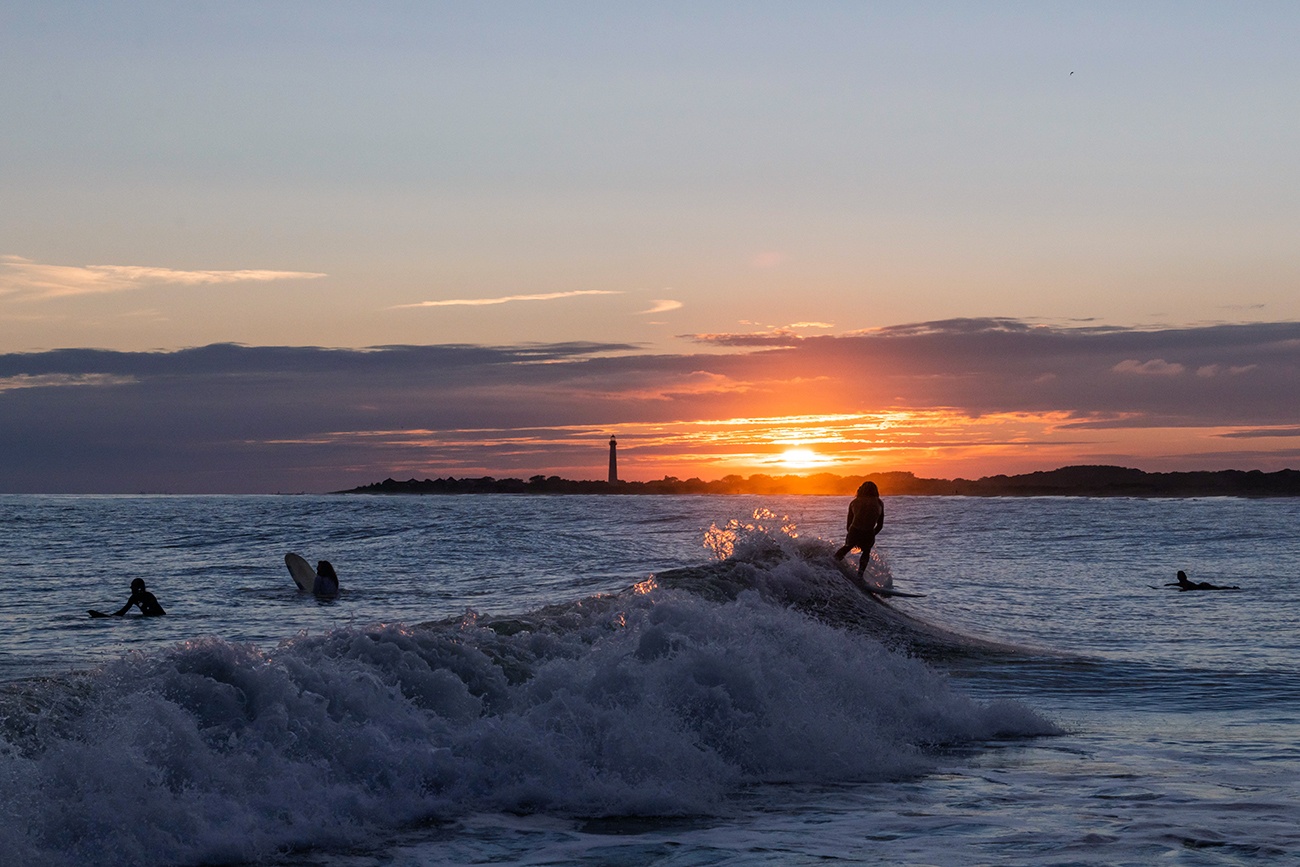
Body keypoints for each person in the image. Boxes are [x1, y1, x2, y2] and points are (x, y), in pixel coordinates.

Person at [834, 481, 885, 578]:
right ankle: (860, 576)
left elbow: (849, 524)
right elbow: (880, 525)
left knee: (846, 548)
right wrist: (872, 534)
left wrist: (852, 535)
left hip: (854, 530)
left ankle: (831, 563)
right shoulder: (879, 503)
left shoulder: (854, 502)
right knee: (866, 552)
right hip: (869, 531)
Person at [1167, 570, 1238, 591]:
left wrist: (1169, 585)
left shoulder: (1184, 583)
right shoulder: (1183, 582)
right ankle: (1232, 588)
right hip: (1202, 585)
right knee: (1217, 588)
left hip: (1202, 587)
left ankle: (1232, 588)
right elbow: (1177, 584)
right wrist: (1169, 584)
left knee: (1217, 588)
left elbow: (1184, 587)